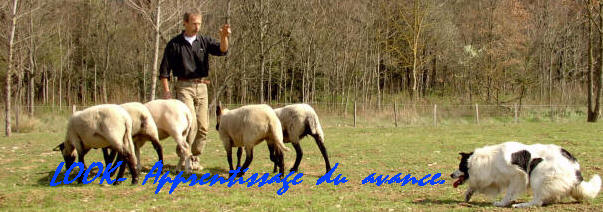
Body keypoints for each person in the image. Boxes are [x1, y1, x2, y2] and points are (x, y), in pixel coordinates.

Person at [159, 10, 230, 170]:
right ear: (185, 23)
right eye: (194, 23)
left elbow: (222, 50)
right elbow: (164, 71)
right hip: (184, 86)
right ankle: (184, 157)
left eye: (199, 23)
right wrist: (167, 92)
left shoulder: (203, 41)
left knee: (203, 126)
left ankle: (195, 157)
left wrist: (224, 37)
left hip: (202, 86)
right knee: (190, 125)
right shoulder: (174, 44)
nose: (197, 27)